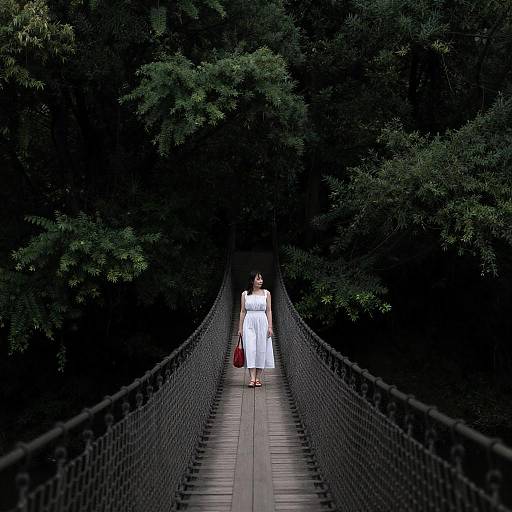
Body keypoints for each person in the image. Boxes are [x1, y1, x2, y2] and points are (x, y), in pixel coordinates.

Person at [237, 270, 275, 387]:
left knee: (261, 348)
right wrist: (240, 329)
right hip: (249, 322)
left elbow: (269, 310)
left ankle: (258, 378)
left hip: (262, 322)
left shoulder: (266, 293)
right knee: (250, 349)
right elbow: (243, 311)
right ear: (252, 280)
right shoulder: (244, 294)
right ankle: (252, 379)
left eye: (261, 279)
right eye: (258, 279)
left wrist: (270, 326)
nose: (261, 281)